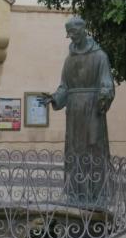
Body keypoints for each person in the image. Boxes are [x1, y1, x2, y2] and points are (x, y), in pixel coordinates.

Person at [39, 16, 115, 205]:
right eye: (69, 33)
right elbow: (64, 87)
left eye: (73, 32)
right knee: (74, 150)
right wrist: (54, 98)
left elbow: (106, 82)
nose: (71, 36)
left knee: (95, 149)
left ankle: (98, 195)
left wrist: (104, 96)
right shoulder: (69, 60)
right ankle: (75, 194)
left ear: (83, 30)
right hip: (74, 111)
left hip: (92, 109)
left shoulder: (100, 56)